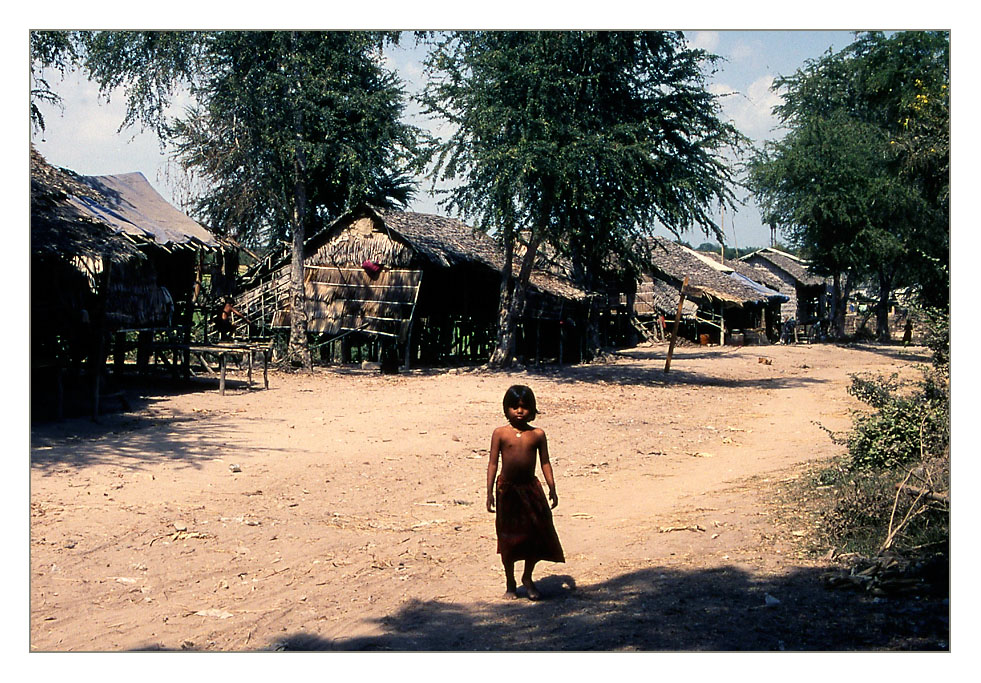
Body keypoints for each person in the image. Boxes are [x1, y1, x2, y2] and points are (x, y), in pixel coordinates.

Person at [487, 385, 564, 600]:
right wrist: (489, 492)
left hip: (530, 490)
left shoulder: (537, 435)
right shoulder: (500, 434)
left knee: (535, 534)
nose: (519, 411)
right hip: (507, 490)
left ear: (532, 409)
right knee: (508, 538)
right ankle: (510, 582)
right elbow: (492, 464)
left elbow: (545, 462)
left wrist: (552, 487)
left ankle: (527, 578)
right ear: (506, 409)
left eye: (524, 407)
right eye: (514, 407)